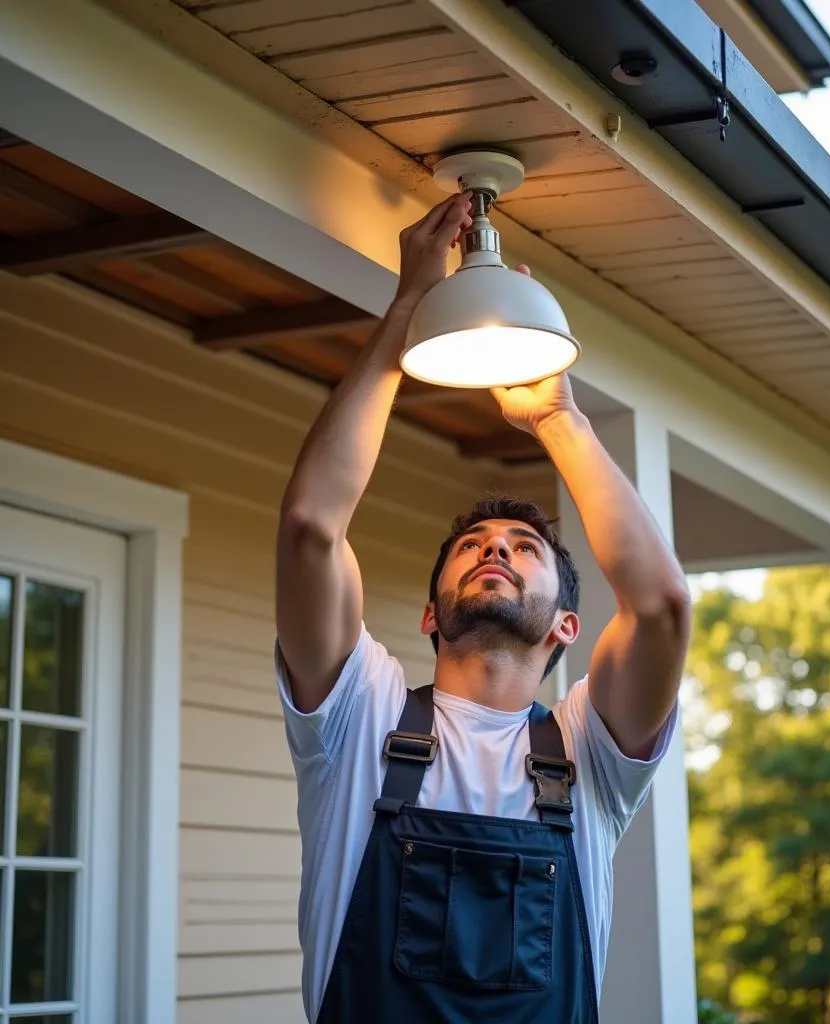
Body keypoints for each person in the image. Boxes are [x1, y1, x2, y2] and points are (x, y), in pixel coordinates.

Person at [275, 192, 692, 1023]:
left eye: (523, 547)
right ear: (431, 615)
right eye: (472, 547)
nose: (495, 549)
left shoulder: (587, 757)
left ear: (567, 628)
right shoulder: (360, 716)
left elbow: (662, 605)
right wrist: (406, 315)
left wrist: (557, 416)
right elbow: (311, 528)